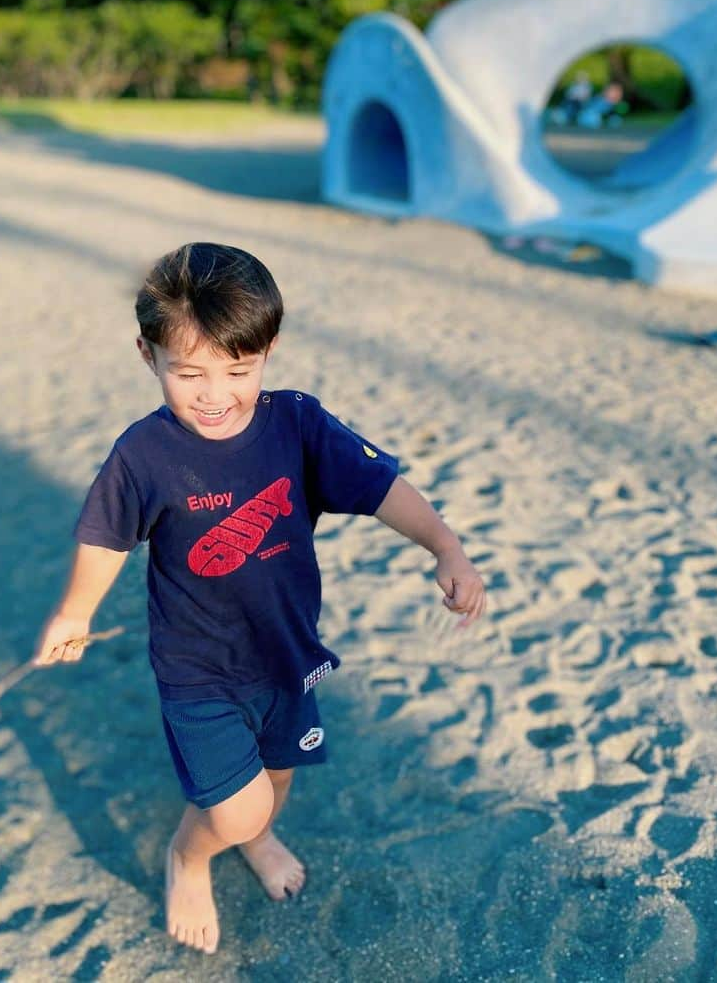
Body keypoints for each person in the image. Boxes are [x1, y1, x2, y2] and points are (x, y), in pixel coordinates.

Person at [34, 242, 487, 955]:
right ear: (147, 355)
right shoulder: (143, 455)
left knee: (275, 780)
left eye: (238, 370)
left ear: (268, 349)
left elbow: (380, 491)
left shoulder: (297, 423)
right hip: (199, 667)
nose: (215, 394)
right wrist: (75, 612)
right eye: (189, 373)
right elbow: (105, 537)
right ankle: (189, 858)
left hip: (285, 651)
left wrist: (445, 547)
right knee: (233, 806)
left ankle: (256, 836)